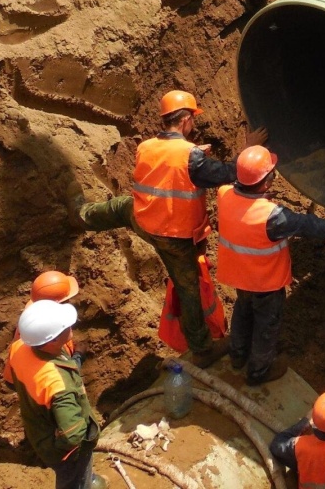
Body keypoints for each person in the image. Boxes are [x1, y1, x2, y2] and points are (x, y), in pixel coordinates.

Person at [80, 89, 262, 367]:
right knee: (187, 289)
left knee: (118, 207)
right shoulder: (192, 158)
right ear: (187, 119)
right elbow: (230, 173)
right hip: (174, 238)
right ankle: (202, 350)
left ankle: (83, 215)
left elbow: (169, 164)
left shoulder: (147, 146)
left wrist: (193, 157)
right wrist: (248, 149)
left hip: (142, 218)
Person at [217, 146, 325, 385]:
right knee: (266, 326)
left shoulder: (224, 194)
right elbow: (316, 227)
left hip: (238, 277)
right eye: (271, 173)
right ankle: (258, 372)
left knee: (243, 312)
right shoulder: (273, 217)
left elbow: (241, 199)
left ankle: (237, 355)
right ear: (265, 183)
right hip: (265, 284)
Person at [4, 299, 103, 489]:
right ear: (53, 340)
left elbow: (51, 369)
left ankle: (87, 480)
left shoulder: (19, 348)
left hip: (38, 428)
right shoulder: (59, 386)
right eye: (65, 326)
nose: (71, 326)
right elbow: (74, 436)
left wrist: (76, 358)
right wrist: (58, 449)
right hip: (66, 453)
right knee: (73, 478)